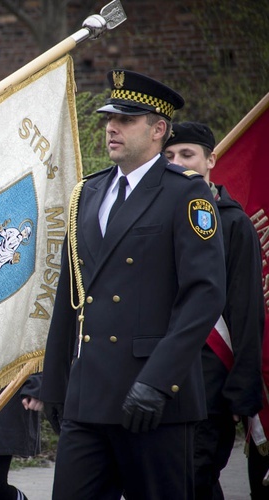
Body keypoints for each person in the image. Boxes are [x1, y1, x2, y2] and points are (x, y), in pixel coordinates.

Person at [39, 69, 226, 499]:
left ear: (158, 129)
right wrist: (54, 382)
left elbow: (203, 295)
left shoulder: (185, 194)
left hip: (152, 397)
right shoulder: (88, 193)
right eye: (110, 118)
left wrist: (158, 381)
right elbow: (72, 295)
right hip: (88, 396)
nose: (111, 128)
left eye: (126, 120)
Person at [164, 122, 264, 499]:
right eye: (169, 156)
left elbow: (246, 311)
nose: (178, 163)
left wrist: (242, 391)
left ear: (211, 160)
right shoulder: (157, 217)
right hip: (162, 378)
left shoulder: (233, 223)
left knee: (195, 478)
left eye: (187, 155)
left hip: (211, 384)